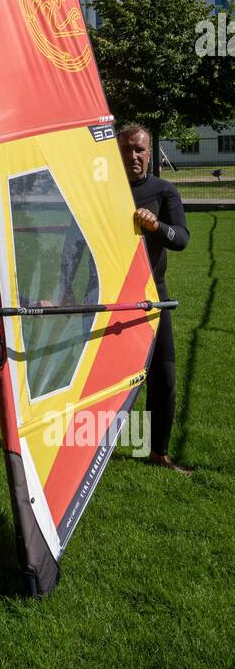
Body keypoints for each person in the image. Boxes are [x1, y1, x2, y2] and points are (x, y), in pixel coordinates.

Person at [117, 123, 192, 474]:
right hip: (110, 298)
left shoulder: (163, 191)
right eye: (127, 149)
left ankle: (157, 451)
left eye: (139, 150)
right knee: (106, 378)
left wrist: (156, 226)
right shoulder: (105, 191)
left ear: (149, 152)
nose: (133, 156)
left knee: (163, 377)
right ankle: (87, 453)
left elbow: (180, 239)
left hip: (152, 297)